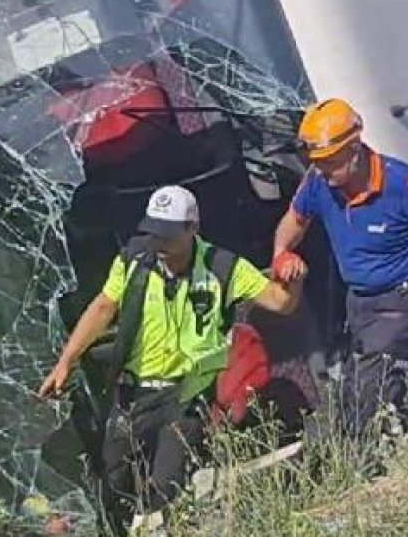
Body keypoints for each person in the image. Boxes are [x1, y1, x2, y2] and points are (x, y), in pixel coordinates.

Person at [38, 185, 302, 522]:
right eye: (153, 233)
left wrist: (295, 276)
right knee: (114, 482)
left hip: (188, 392)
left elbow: (281, 302)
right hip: (136, 391)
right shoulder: (133, 261)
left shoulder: (222, 266)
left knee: (165, 486)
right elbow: (104, 307)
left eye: (167, 235)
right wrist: (67, 361)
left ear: (192, 229)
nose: (158, 244)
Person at [272, 98, 408, 435]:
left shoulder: (403, 184)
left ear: (354, 149)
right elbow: (294, 221)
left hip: (406, 295)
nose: (325, 173)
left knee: (375, 387)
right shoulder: (318, 181)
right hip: (361, 299)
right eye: (319, 164)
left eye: (331, 164)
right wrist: (282, 253)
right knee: (349, 389)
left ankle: (367, 464)